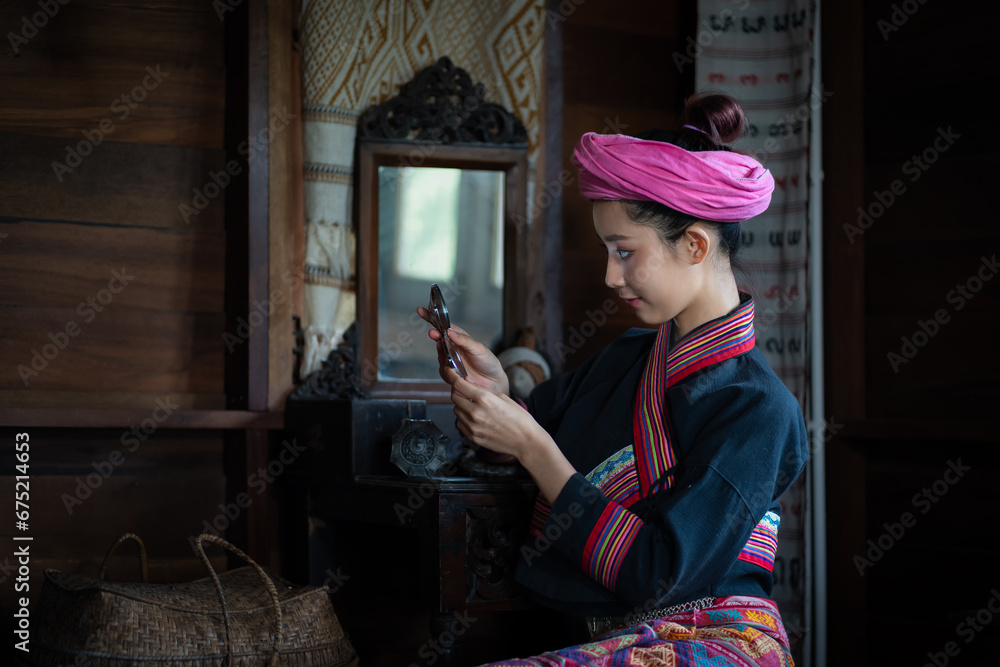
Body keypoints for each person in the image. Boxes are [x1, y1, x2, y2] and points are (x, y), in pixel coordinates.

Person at [416, 92, 809, 667]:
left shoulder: (759, 410)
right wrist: (497, 397)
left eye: (624, 252)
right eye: (607, 251)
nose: (610, 276)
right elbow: (533, 445)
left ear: (695, 245)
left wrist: (528, 441)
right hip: (609, 639)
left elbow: (657, 574)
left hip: (717, 641)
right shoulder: (628, 357)